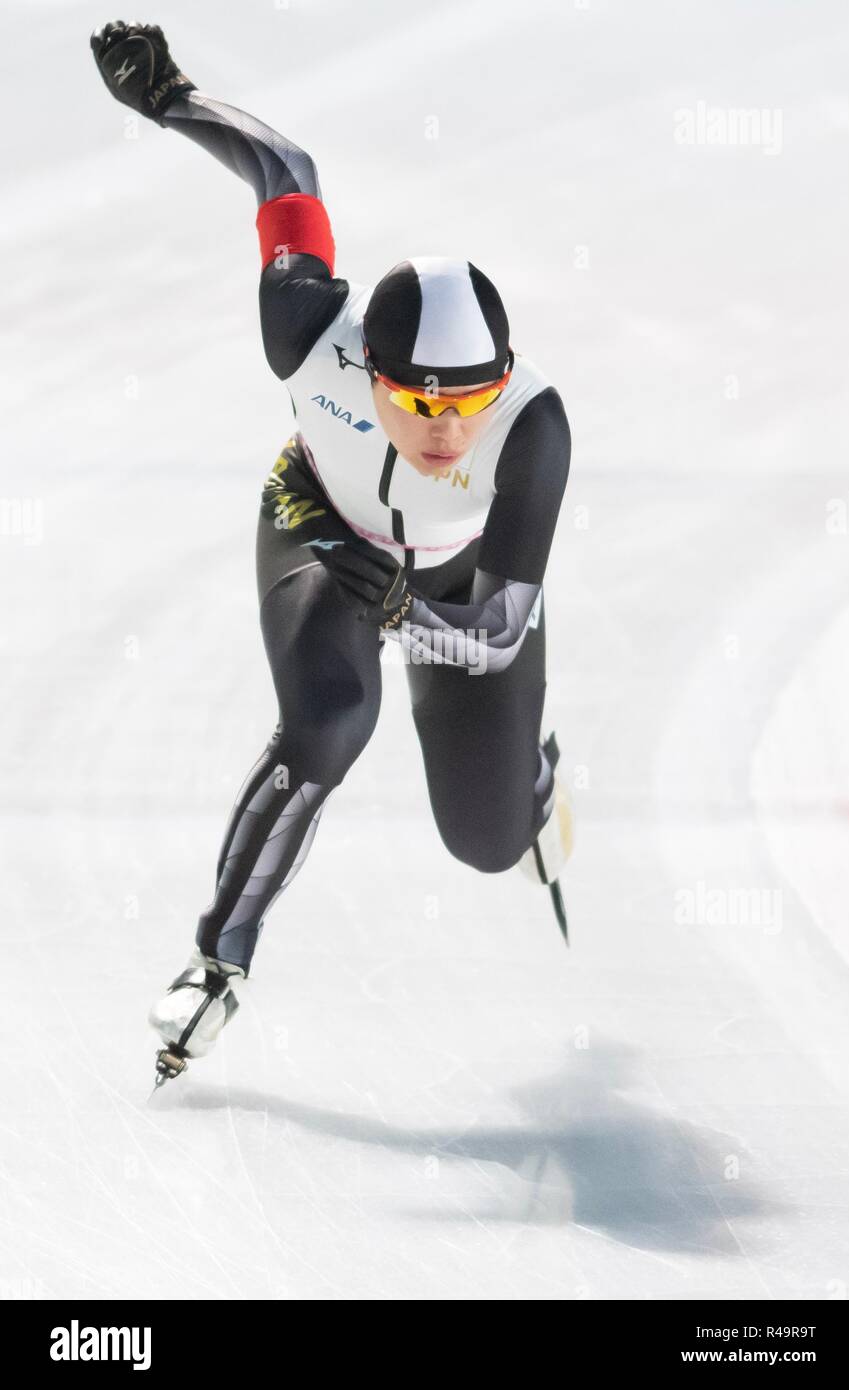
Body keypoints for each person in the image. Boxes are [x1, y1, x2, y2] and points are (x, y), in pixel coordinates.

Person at [90, 22, 574, 1085]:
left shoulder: (532, 425)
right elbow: (283, 171)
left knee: (485, 844)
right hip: (320, 526)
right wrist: (170, 95)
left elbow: (494, 634)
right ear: (370, 372)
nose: (446, 428)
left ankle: (532, 785)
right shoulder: (308, 327)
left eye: (469, 397)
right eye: (416, 399)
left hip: (454, 584)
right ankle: (218, 957)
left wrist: (407, 613)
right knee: (327, 718)